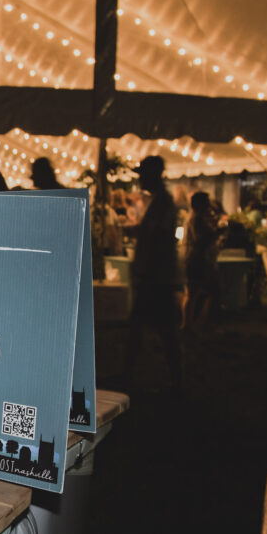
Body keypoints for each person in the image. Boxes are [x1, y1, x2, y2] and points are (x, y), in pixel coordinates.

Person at [122, 155, 182, 392]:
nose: (140, 180)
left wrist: (145, 269)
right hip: (155, 276)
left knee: (161, 329)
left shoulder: (163, 203)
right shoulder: (160, 202)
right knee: (145, 327)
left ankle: (175, 378)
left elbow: (158, 238)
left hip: (156, 277)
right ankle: (130, 372)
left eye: (142, 175)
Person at [182, 191, 220, 332]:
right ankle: (195, 324)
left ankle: (191, 323)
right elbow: (201, 240)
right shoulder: (197, 219)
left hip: (195, 259)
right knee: (200, 292)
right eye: (206, 202)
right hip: (198, 259)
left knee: (194, 292)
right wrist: (217, 233)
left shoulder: (195, 218)